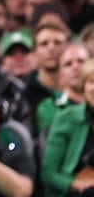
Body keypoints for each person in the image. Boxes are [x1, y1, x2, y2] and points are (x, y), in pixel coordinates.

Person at [42, 58, 94, 197]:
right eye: (91, 82)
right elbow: (48, 173)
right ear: (83, 86)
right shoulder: (66, 118)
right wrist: (73, 184)